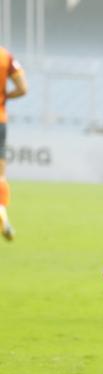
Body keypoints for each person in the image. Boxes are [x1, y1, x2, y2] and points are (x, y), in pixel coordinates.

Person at [0, 46, 27, 241]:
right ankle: (2, 210)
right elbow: (23, 88)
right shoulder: (5, 56)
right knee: (0, 173)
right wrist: (5, 97)